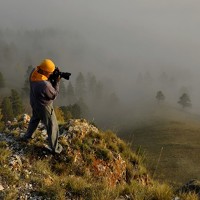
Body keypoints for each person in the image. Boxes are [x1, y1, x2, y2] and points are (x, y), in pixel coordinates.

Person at [21, 59, 63, 154]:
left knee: (35, 118)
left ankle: (27, 136)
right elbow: (54, 95)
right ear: (44, 71)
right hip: (44, 107)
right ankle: (55, 149)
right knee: (52, 125)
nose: (50, 74)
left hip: (34, 102)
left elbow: (45, 78)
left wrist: (51, 76)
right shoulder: (44, 85)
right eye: (50, 73)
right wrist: (57, 82)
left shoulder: (34, 71)